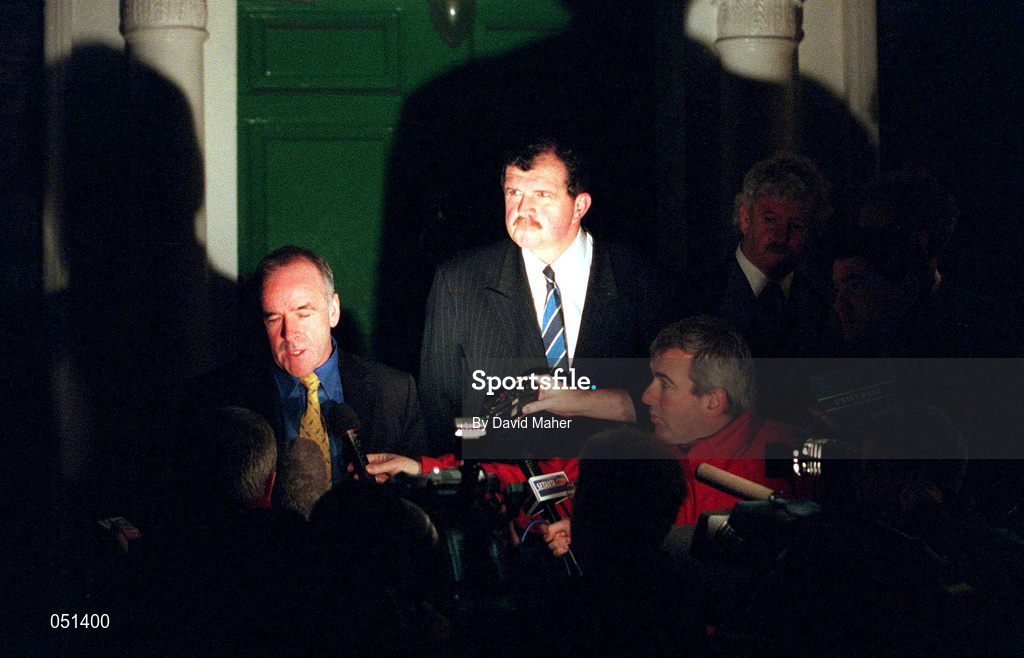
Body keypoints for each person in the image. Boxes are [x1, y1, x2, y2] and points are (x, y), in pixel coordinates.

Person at [418, 138, 668, 456]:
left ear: (580, 206)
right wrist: (491, 434)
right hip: (505, 492)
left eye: (542, 195)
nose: (523, 209)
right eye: (514, 193)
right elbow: (443, 420)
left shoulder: (641, 280)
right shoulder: (458, 282)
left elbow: (676, 407)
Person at [186, 246, 426, 511]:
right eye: (274, 318)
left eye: (303, 313)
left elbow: (421, 508)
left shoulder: (394, 392)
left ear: (333, 310)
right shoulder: (214, 398)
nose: (289, 333)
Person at [542, 315, 796, 558]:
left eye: (665, 385)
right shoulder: (646, 450)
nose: (645, 397)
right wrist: (589, 530)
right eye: (653, 380)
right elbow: (547, 482)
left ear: (713, 402)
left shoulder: (792, 459)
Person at [713, 153, 833, 358]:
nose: (781, 235)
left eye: (796, 226)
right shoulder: (700, 295)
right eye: (770, 219)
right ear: (745, 218)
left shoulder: (826, 301)